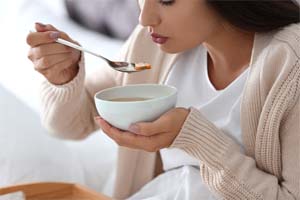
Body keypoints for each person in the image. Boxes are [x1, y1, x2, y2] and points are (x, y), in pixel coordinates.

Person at [26, 0, 300, 199]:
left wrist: (194, 138)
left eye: (166, 1)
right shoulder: (153, 44)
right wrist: (64, 77)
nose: (145, 18)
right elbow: (68, 125)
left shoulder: (291, 65)